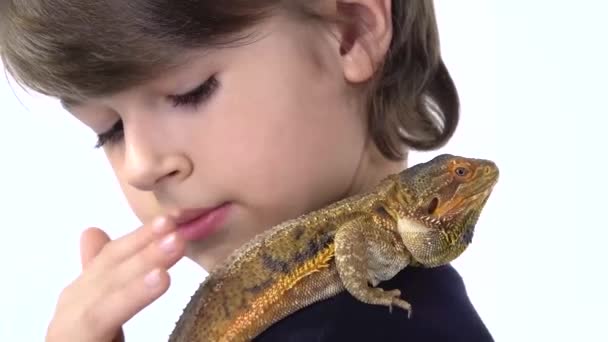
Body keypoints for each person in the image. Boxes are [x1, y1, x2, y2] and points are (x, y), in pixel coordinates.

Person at [0, 0, 494, 341]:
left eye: (190, 92)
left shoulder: (381, 326)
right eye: (109, 130)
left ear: (351, 33)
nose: (141, 166)